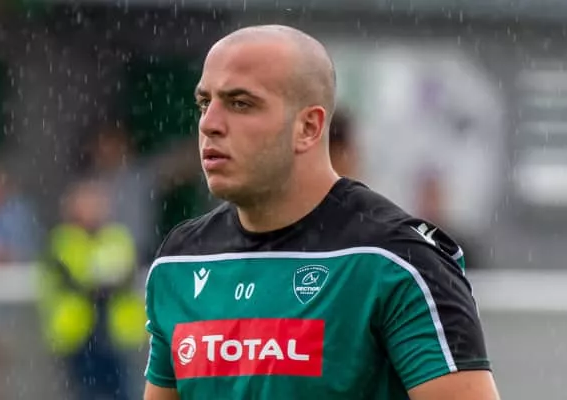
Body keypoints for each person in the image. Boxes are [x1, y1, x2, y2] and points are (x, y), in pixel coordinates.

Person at [143, 25, 500, 400]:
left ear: (308, 127)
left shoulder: (397, 263)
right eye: (204, 103)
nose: (209, 124)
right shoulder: (179, 261)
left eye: (240, 103)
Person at [37, 180, 147, 400]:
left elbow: (126, 274)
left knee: (123, 391)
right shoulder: (62, 241)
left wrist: (97, 283)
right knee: (84, 392)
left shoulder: (117, 237)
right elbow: (71, 280)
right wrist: (101, 283)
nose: (94, 209)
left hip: (116, 334)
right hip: (77, 334)